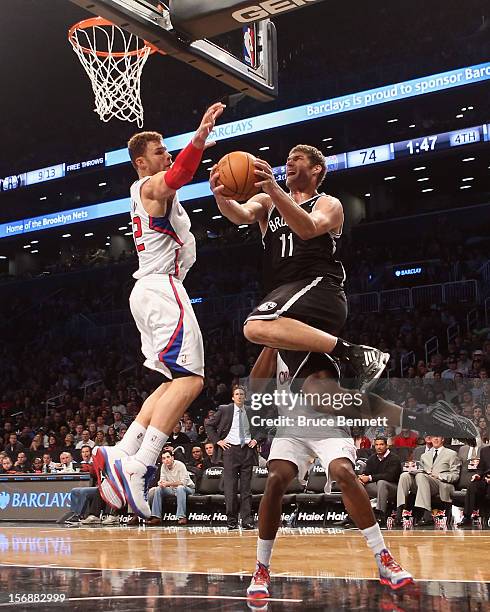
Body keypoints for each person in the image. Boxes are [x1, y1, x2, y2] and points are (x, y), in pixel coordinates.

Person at [93, 102, 225, 519]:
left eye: (168, 148)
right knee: (193, 381)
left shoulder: (146, 193)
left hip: (151, 291)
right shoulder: (151, 187)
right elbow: (180, 173)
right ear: (140, 162)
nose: (166, 154)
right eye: (160, 150)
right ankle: (139, 465)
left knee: (174, 381)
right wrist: (200, 135)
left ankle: (122, 449)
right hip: (163, 290)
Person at [210, 144, 390, 393]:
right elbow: (240, 214)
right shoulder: (266, 202)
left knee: (254, 326)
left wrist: (273, 189)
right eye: (287, 159)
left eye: (297, 159)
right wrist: (222, 197)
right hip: (289, 302)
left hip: (319, 289)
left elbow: (307, 229)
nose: (289, 163)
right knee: (320, 393)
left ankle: (356, 353)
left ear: (316, 169)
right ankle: (420, 416)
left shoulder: (328, 204)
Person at [244, 348, 413, 597]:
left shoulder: (319, 345)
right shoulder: (276, 347)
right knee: (275, 479)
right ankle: (261, 568)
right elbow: (255, 389)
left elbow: (326, 400)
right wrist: (271, 340)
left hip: (327, 424)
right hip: (291, 428)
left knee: (343, 471)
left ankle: (383, 557)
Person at [206, 386, 265, 530]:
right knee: (230, 489)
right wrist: (218, 441)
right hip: (230, 451)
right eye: (237, 394)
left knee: (246, 489)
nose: (239, 396)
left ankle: (247, 521)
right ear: (233, 397)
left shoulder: (252, 411)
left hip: (247, 451)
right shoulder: (225, 409)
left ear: (245, 397)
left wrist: (256, 440)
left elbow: (262, 429)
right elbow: (209, 425)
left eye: (242, 394)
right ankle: (231, 521)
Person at [396, 436, 461, 526]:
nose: (435, 439)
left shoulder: (451, 454)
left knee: (421, 476)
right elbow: (421, 471)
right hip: (423, 481)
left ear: (443, 439)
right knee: (405, 475)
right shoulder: (424, 455)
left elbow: (455, 475)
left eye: (438, 437)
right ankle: (399, 512)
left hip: (440, 483)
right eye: (433, 437)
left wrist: (439, 476)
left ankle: (427, 514)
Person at [358, 437, 401, 524]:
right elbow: (366, 472)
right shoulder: (372, 458)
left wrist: (370, 478)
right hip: (378, 487)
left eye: (381, 444)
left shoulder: (394, 458)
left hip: (394, 488)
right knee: (357, 484)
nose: (379, 447)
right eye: (376, 445)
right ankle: (353, 515)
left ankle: (380, 515)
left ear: (387, 446)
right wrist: (361, 478)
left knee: (382, 482)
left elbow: (390, 476)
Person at [146, 449, 195, 525]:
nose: (166, 460)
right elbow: (163, 480)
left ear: (172, 458)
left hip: (188, 489)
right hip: (173, 489)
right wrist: (161, 483)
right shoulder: (163, 467)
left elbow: (183, 483)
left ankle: (182, 517)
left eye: (168, 457)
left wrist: (168, 483)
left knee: (180, 488)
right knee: (158, 489)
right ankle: (156, 517)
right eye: (164, 458)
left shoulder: (180, 465)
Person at [457, 444, 490, 527]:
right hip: (485, 479)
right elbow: (480, 468)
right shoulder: (484, 451)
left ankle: (486, 516)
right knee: (473, 485)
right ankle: (467, 517)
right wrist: (478, 475)